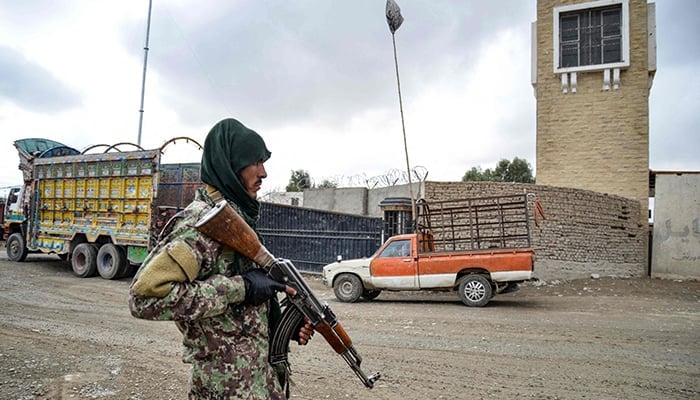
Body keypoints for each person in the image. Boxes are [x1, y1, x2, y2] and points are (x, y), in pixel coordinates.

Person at [129, 118, 313, 399]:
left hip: (260, 382)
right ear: (230, 164)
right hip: (224, 388)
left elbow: (240, 315)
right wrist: (241, 288)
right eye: (255, 162)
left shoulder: (236, 220)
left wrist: (280, 326)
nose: (263, 172)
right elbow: (145, 298)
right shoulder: (200, 224)